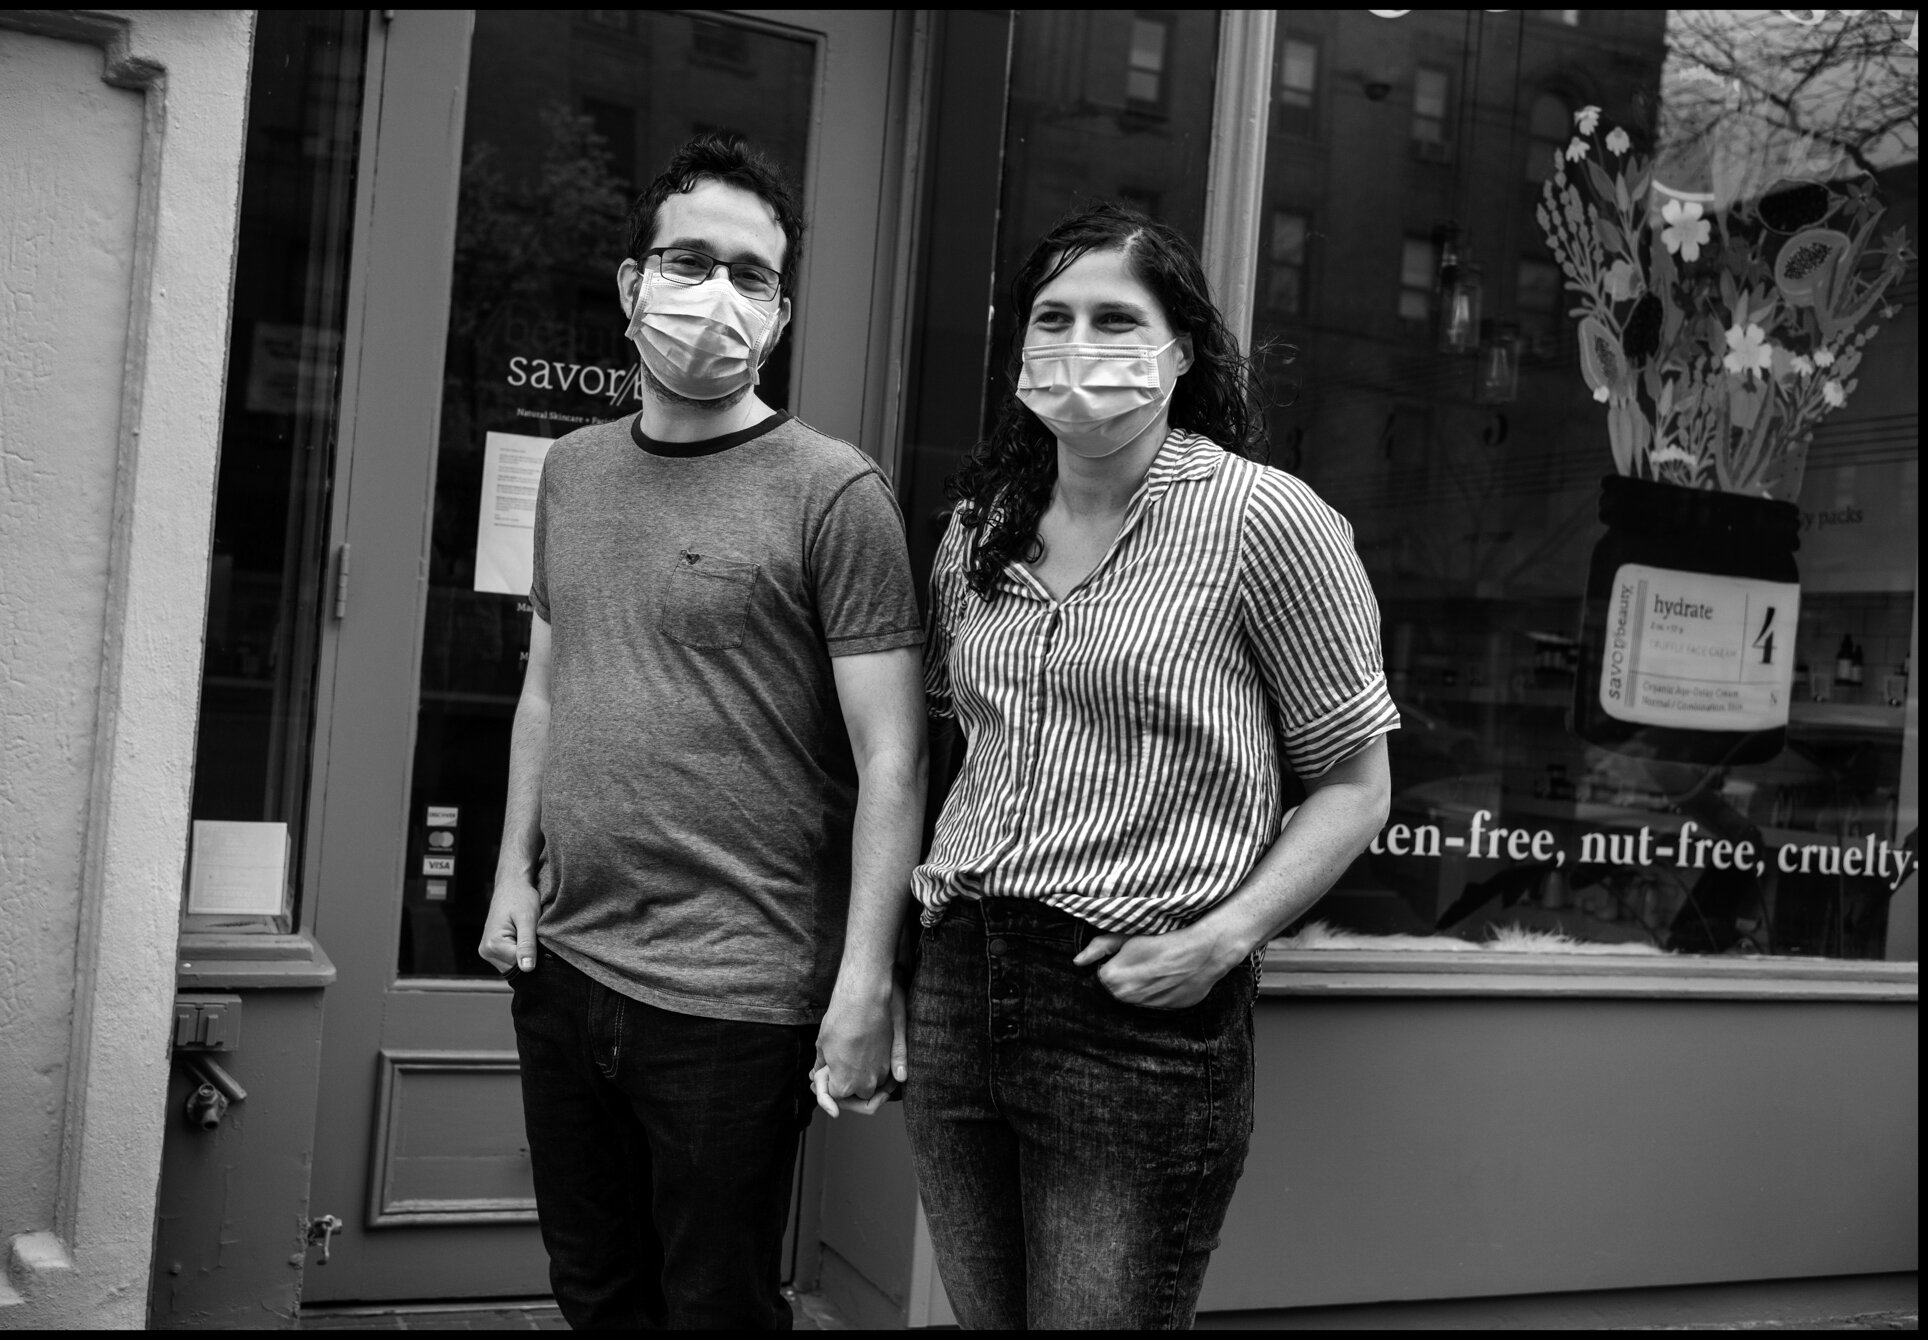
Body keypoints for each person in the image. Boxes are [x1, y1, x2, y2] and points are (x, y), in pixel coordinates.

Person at [904, 203, 1398, 1330]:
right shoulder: (977, 529)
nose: (1079, 343)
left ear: (1180, 349)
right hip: (961, 982)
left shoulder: (1263, 520)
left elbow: (1354, 785)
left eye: (1114, 317)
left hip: (1132, 1009)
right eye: (1052, 316)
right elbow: (958, 752)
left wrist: (1220, 939)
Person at [478, 132, 926, 1330]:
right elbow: (547, 678)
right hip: (567, 967)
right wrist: (510, 872)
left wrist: (863, 983)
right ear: (632, 285)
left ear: (778, 313)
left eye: (751, 274)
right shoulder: (571, 470)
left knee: (716, 1307)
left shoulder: (834, 491)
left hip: (732, 996)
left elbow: (893, 755)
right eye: (689, 260)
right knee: (595, 1293)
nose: (716, 296)